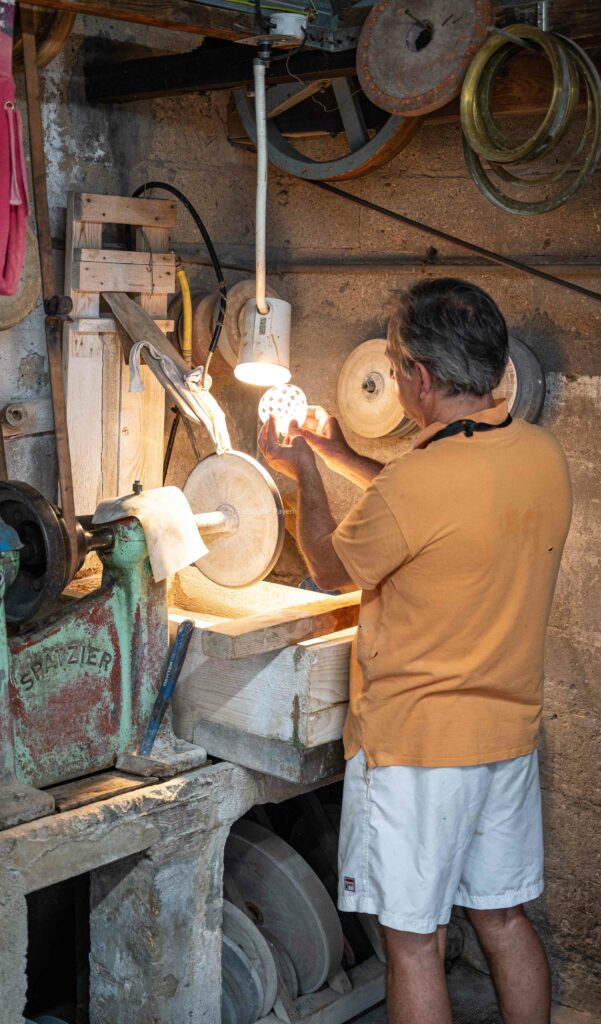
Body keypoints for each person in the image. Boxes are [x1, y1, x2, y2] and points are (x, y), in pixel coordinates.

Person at [258, 278, 572, 1024]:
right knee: (500, 921)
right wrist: (337, 454)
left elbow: (332, 566)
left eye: (396, 366)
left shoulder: (416, 486)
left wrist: (302, 473)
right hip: (504, 737)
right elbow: (430, 505)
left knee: (414, 943)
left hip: (418, 751)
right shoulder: (535, 454)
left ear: (419, 380)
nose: (396, 378)